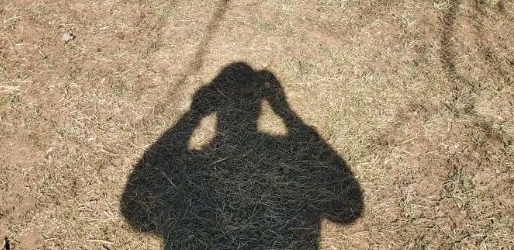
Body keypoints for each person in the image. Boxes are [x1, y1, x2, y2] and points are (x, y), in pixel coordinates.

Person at [121, 62, 363, 248]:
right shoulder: (280, 155)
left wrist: (193, 116)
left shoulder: (192, 168)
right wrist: (286, 113)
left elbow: (135, 209)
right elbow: (348, 209)